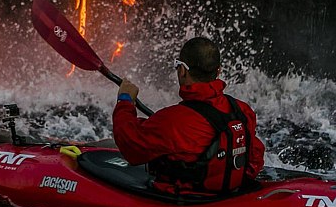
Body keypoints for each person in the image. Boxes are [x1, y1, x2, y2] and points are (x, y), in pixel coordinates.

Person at [112, 37, 265, 196]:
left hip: (186, 203)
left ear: (183, 70)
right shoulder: (242, 110)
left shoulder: (172, 121)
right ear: (218, 71)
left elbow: (130, 146)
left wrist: (125, 101)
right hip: (230, 195)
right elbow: (255, 157)